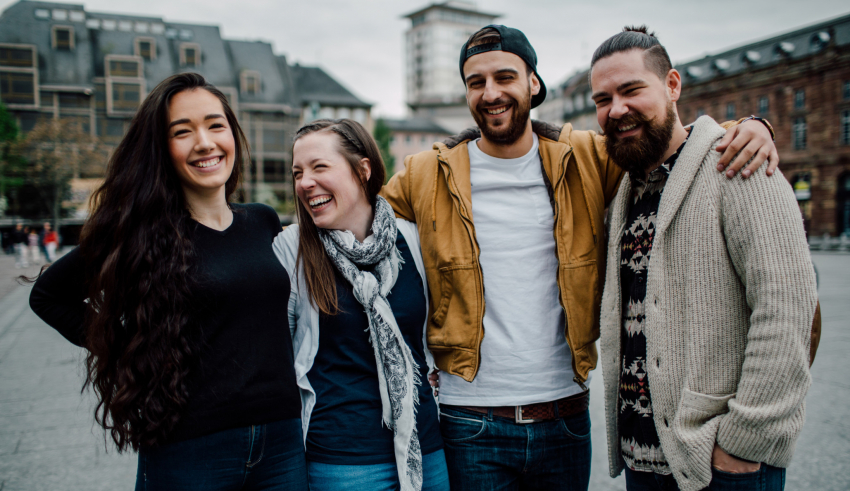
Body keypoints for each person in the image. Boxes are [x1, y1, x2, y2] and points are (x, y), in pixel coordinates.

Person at [381, 24, 779, 490]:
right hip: (470, 419)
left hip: (565, 418)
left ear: (533, 83)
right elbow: (361, 219)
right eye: (476, 82)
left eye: (505, 77)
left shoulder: (587, 156)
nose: (491, 93)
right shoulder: (426, 173)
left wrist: (750, 127)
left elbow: (673, 144)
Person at [29, 73, 308, 491]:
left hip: (282, 443)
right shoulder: (139, 232)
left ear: (233, 133)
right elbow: (48, 296)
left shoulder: (262, 220)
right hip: (189, 448)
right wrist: (128, 347)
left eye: (215, 125)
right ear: (161, 148)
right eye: (182, 131)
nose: (205, 142)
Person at [590, 27, 818, 491]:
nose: (616, 109)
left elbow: (787, 309)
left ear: (672, 85)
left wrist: (744, 442)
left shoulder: (738, 164)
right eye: (603, 99)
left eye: (632, 90)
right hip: (643, 463)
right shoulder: (626, 189)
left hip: (720, 466)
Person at [272, 119, 449, 491]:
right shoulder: (292, 249)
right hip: (343, 464)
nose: (305, 183)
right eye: (298, 173)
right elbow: (276, 359)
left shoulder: (411, 238)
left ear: (363, 170)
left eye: (319, 167)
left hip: (425, 453)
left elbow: (433, 335)